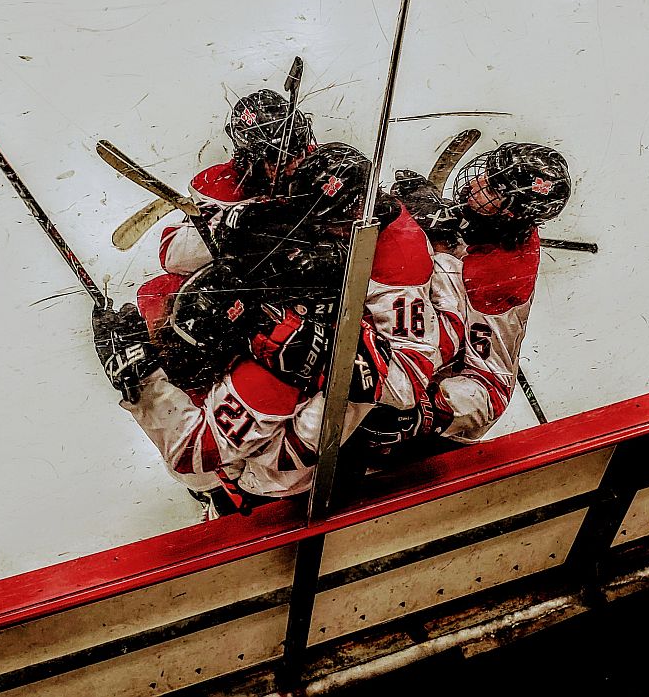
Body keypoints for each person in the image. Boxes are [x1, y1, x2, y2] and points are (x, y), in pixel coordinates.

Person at [92, 142, 465, 516]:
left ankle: (233, 497)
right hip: (311, 352)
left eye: (327, 225)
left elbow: (409, 380)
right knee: (159, 292)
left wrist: (144, 381)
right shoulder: (332, 213)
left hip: (280, 481)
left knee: (223, 466)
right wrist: (234, 225)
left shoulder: (395, 267)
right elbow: (179, 253)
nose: (312, 231)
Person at [386, 141, 572, 449]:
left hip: (438, 424)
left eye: (493, 187)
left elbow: (490, 387)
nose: (476, 182)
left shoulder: (493, 279)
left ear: (511, 212)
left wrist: (426, 412)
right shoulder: (502, 226)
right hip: (413, 358)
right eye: (488, 172)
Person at [137, 88, 317, 339]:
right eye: (278, 158)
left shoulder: (319, 163)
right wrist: (235, 233)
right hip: (257, 295)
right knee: (159, 290)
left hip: (316, 277)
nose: (295, 163)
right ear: (250, 158)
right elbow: (171, 254)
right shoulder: (222, 186)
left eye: (298, 150)